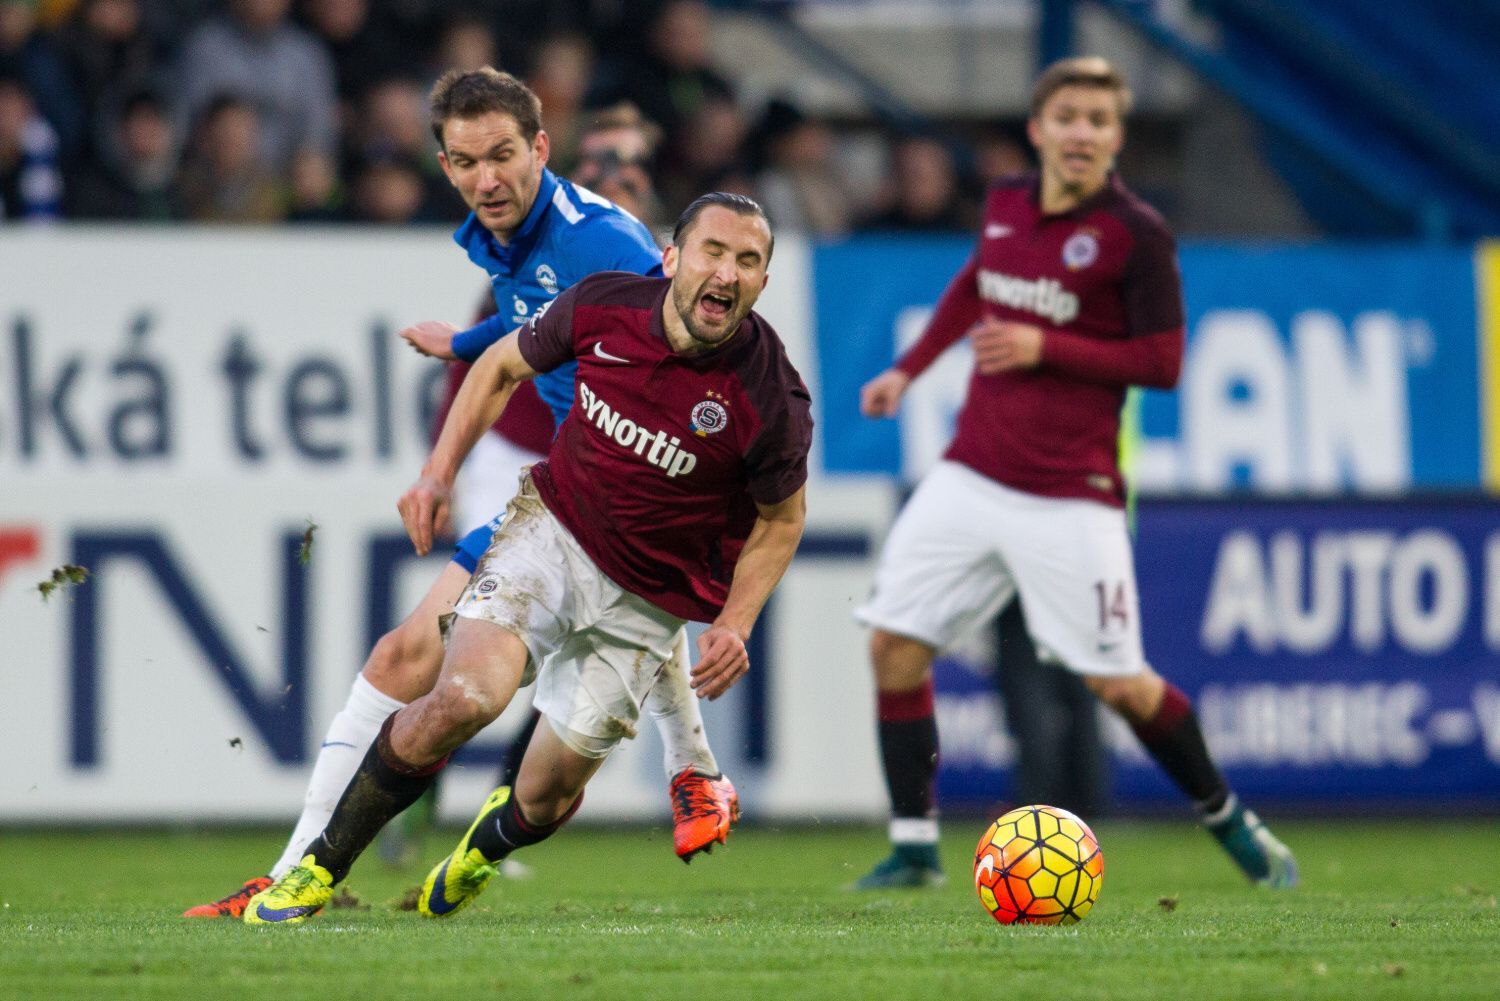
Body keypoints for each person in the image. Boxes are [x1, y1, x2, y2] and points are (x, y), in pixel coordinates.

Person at [182, 68, 737, 919]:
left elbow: (678, 330)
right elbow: (540, 325)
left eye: (505, 156)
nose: (488, 178)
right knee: (407, 657)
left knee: (519, 759)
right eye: (468, 161)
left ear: (540, 149)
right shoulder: (504, 236)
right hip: (564, 500)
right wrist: (455, 393)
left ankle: (690, 769)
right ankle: (294, 867)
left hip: (615, 498)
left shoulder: (604, 241)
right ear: (444, 164)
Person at [243, 192, 811, 924]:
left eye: (748, 261)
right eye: (713, 252)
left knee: (544, 792)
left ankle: (483, 846)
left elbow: (782, 519)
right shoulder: (604, 304)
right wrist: (437, 472)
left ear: (763, 280)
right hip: (550, 534)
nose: (727, 273)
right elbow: (499, 364)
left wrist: (735, 621)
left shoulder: (772, 396)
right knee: (464, 697)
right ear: (672, 258)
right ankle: (317, 871)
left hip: (647, 601)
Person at [851, 57, 1297, 890]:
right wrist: (908, 369)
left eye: (1100, 119)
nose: (1083, 132)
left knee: (1121, 683)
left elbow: (1164, 362)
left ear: (1118, 136)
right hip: (972, 473)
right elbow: (974, 285)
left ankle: (1230, 819)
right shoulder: (1008, 201)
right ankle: (914, 848)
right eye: (1070, 116)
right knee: (893, 647)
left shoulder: (1137, 233)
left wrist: (1043, 345)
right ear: (1040, 128)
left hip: (1070, 494)